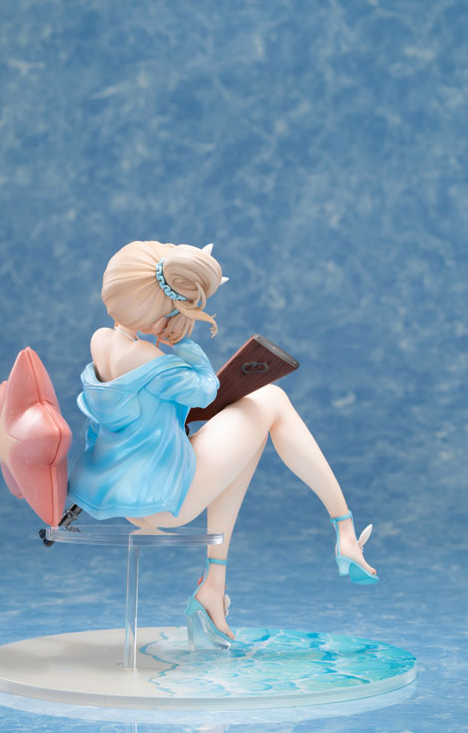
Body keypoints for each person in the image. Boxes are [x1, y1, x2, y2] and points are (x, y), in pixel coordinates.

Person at [68, 240, 377, 650]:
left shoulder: (102, 340)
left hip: (122, 491)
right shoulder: (148, 358)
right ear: (162, 313)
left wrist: (161, 327)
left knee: (247, 440)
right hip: (164, 496)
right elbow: (205, 388)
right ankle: (344, 528)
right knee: (271, 400)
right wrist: (182, 343)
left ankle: (213, 587)